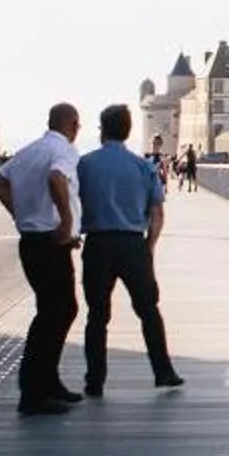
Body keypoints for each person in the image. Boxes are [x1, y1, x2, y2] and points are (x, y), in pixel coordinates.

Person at [77, 104, 182, 397]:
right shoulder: (142, 166)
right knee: (148, 310)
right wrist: (148, 247)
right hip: (132, 244)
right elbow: (158, 214)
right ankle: (164, 371)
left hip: (98, 244)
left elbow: (72, 203)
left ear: (103, 130)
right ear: (128, 131)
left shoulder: (85, 164)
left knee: (97, 315)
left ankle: (94, 380)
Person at [0, 102, 82, 414]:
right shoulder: (64, 151)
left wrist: (19, 214)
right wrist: (67, 223)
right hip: (50, 242)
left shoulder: (30, 150)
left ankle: (48, 381)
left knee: (55, 310)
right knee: (55, 313)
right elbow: (57, 179)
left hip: (33, 241)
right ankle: (33, 391)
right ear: (71, 125)